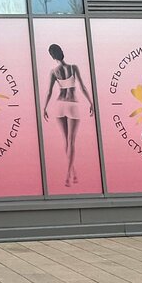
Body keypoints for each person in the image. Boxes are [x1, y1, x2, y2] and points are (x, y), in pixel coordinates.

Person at [42, 43, 94, 187]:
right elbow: (83, 87)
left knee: (66, 141)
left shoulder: (54, 71)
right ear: (62, 52)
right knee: (71, 141)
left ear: (52, 56)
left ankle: (73, 172)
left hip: (59, 105)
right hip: (72, 104)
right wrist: (91, 102)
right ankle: (68, 174)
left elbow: (49, 92)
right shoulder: (73, 68)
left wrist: (44, 107)